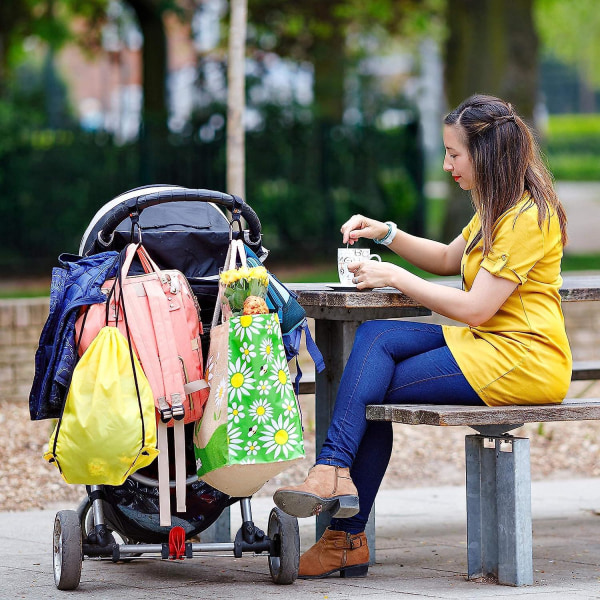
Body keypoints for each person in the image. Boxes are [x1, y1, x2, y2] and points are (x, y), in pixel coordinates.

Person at [273, 94, 572, 579]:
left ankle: (341, 531)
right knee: (376, 340)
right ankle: (333, 480)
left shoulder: (526, 218)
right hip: (490, 348)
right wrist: (386, 233)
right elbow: (448, 259)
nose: (447, 163)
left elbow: (476, 309)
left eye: (455, 154)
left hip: (523, 361)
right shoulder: (499, 207)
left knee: (368, 385)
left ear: (486, 154)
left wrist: (394, 277)